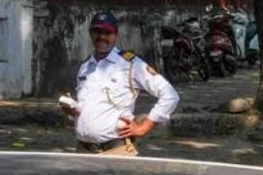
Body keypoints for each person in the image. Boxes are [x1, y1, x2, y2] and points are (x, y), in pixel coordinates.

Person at [62, 11, 179, 156]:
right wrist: (73, 111)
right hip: (83, 150)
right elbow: (91, 105)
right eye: (97, 31)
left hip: (117, 150)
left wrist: (145, 127)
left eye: (107, 32)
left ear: (116, 35)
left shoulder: (131, 64)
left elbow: (170, 95)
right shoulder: (85, 66)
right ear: (90, 34)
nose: (102, 37)